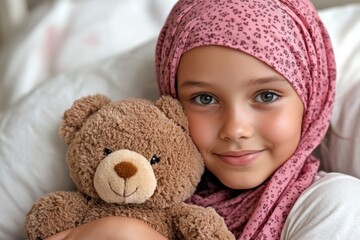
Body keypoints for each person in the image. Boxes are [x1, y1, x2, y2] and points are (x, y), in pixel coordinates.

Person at [47, 0, 360, 239]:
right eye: (205, 99)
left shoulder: (335, 204)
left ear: (311, 97)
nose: (235, 128)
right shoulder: (139, 196)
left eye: (266, 96)